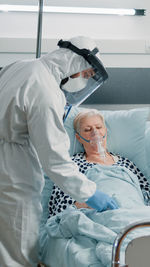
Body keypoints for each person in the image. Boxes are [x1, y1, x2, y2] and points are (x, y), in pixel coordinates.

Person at [0, 36, 118, 267]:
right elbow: (56, 161)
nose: (84, 82)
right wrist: (90, 194)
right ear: (75, 63)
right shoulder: (46, 90)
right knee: (20, 241)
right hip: (14, 169)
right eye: (85, 75)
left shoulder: (22, 66)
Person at [48, 109, 150, 217]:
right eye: (87, 130)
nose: (95, 133)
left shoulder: (126, 163)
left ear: (105, 131)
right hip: (97, 215)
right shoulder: (72, 165)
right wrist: (88, 203)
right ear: (79, 138)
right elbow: (59, 206)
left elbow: (147, 193)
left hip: (134, 213)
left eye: (99, 127)